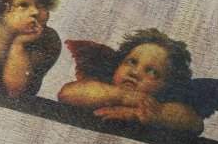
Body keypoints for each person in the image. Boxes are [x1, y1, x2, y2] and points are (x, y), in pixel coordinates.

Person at [58, 28, 204, 134]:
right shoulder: (100, 87)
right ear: (118, 65)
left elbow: (195, 123)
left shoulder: (159, 104)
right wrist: (124, 96)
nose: (135, 73)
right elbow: (67, 93)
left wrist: (155, 113)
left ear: (167, 86)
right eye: (132, 62)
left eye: (152, 72)